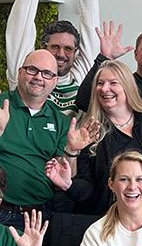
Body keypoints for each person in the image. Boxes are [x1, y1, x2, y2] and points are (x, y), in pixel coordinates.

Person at [63, 60, 142, 214]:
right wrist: (71, 154)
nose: (104, 89)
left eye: (113, 83)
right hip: (109, 221)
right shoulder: (90, 131)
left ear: (127, 86)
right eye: (100, 83)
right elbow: (86, 190)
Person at [0, 50, 98, 229]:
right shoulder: (1, 106)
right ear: (20, 72)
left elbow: (64, 176)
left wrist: (71, 151)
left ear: (54, 81)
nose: (38, 77)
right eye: (32, 70)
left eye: (47, 73)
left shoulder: (62, 122)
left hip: (40, 216)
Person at [6, 0, 105, 114]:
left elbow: (91, 34)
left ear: (76, 52)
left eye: (68, 49)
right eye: (55, 47)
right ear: (44, 47)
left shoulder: (80, 77)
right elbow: (19, 27)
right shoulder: (26, 75)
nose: (61, 54)